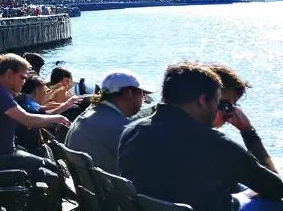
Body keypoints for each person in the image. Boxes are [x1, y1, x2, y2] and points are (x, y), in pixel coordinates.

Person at [121, 62, 283, 211]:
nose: (228, 113)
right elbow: (277, 188)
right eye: (221, 104)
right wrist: (248, 132)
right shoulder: (216, 145)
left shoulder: (132, 132)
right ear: (203, 100)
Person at [0, 54, 69, 211]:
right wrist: (57, 118)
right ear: (9, 74)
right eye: (22, 77)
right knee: (53, 176)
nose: (24, 82)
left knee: (51, 167)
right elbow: (27, 120)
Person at [63, 70, 149, 174]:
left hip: (85, 181)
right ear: (129, 93)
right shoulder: (121, 128)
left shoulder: (86, 116)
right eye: (143, 94)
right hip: (108, 184)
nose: (143, 99)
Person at [210, 65, 277, 173]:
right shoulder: (218, 147)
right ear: (202, 100)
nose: (229, 115)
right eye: (226, 106)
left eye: (231, 107)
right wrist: (248, 132)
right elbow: (273, 180)